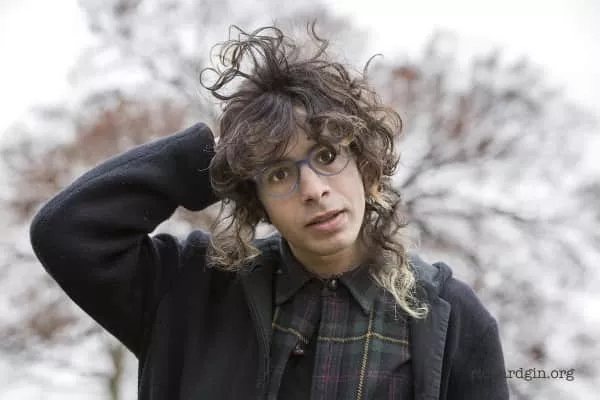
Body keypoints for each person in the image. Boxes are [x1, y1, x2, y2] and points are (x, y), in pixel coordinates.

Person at [30, 24, 509, 399]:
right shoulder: (191, 291)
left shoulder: (451, 317)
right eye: (279, 174)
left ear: (364, 165)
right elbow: (66, 231)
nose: (314, 191)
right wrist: (215, 156)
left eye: (327, 155)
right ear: (256, 198)